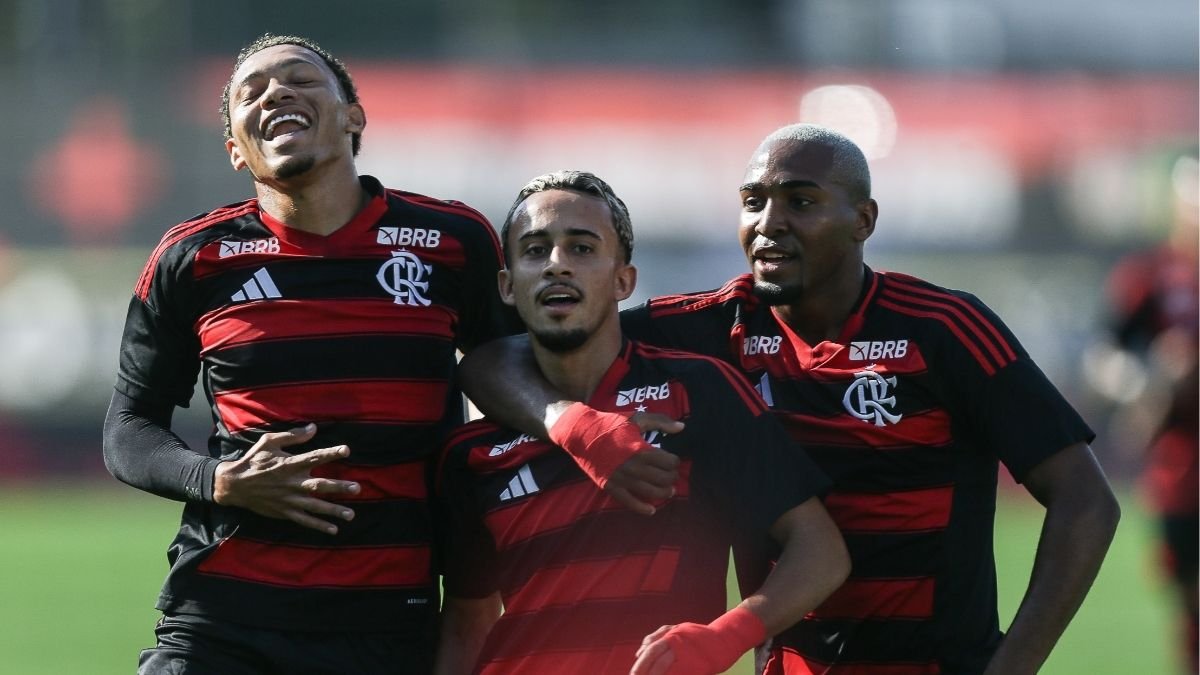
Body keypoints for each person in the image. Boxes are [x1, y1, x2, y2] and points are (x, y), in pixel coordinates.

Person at [460, 124, 1122, 675]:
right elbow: (499, 357)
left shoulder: (943, 329)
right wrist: (576, 425)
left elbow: (1085, 500)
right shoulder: (710, 329)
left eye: (800, 201)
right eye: (754, 201)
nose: (768, 224)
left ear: (864, 219)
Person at [100, 33, 533, 674]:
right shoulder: (192, 260)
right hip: (220, 620)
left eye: (301, 80)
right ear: (235, 151)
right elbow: (128, 430)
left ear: (354, 116)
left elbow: (514, 382)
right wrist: (219, 481)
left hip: (386, 626)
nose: (276, 92)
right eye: (252, 92)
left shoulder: (454, 243)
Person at [434, 170, 850, 675]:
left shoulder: (695, 391)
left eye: (582, 248)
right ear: (507, 285)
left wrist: (725, 637)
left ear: (623, 280)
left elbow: (821, 550)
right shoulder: (471, 451)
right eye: (535, 250)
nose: (556, 266)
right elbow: (466, 621)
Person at [1102, 154, 1198, 674]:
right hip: (1178, 468)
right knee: (1187, 599)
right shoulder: (1151, 276)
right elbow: (1106, 356)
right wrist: (1152, 380)